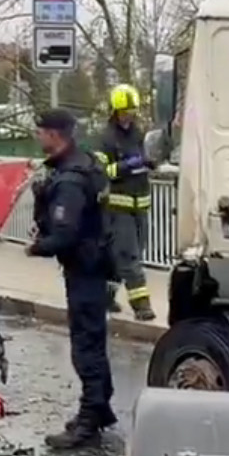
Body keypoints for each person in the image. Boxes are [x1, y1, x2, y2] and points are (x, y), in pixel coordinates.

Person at [26, 109, 117, 449]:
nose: (38, 137)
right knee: (94, 338)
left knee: (86, 346)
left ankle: (88, 421)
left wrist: (36, 248)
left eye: (41, 131)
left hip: (85, 269)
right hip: (97, 264)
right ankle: (101, 408)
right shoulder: (85, 162)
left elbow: (65, 234)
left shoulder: (70, 180)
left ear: (54, 134)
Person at [95, 84, 156, 322]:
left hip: (140, 205)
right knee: (129, 257)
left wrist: (150, 161)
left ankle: (105, 298)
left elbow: (148, 156)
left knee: (122, 257)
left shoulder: (139, 134)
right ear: (115, 111)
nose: (129, 115)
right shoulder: (106, 138)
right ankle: (142, 306)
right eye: (124, 111)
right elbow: (100, 171)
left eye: (132, 111)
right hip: (117, 207)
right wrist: (124, 166)